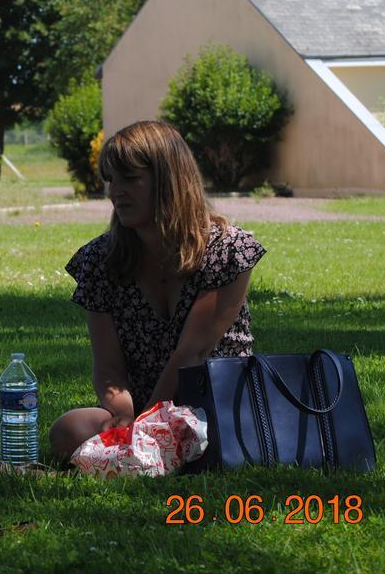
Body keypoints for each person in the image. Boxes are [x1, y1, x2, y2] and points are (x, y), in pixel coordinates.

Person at [49, 120, 265, 464]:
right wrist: (122, 415)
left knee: (200, 436)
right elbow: (108, 368)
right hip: (145, 407)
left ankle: (132, 458)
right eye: (111, 180)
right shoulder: (100, 260)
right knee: (68, 430)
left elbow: (192, 354)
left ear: (169, 182)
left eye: (130, 179)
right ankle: (139, 457)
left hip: (213, 405)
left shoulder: (227, 248)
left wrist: (141, 428)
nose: (115, 191)